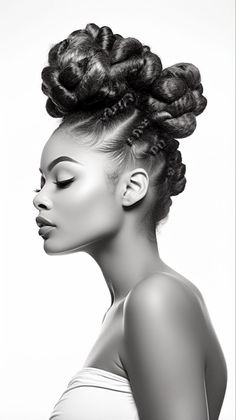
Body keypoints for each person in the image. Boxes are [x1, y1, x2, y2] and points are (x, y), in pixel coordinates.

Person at [33, 22, 227, 420]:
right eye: (41, 182)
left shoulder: (155, 301)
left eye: (63, 179)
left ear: (131, 188)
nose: (40, 197)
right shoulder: (128, 307)